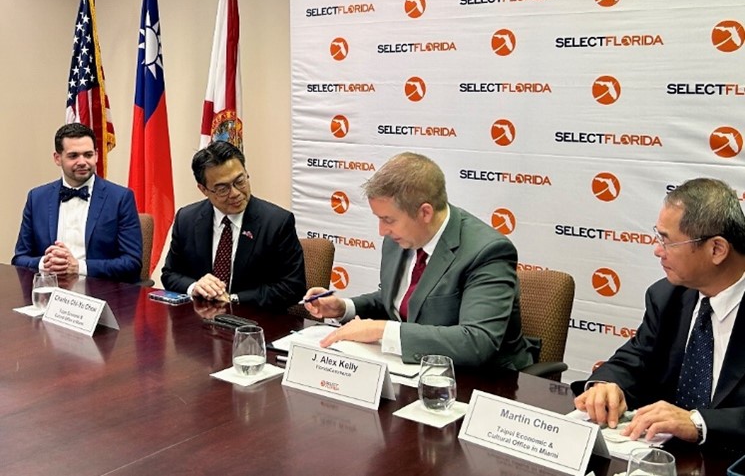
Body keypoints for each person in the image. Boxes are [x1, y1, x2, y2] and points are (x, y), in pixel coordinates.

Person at [303, 152, 533, 369]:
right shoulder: (401, 237)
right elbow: (402, 300)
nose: (382, 230)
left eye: (388, 220)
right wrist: (345, 308)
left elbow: (477, 342)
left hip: (483, 381)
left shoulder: (487, 252)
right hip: (413, 369)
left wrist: (383, 330)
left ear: (425, 213)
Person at [572, 178, 745, 450]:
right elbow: (636, 358)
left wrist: (700, 423)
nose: (657, 251)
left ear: (717, 249)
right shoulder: (666, 296)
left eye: (667, 241)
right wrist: (607, 384)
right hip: (664, 455)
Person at [161, 141, 305, 309]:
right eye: (223, 189)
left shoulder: (277, 222)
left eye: (240, 181)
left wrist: (233, 299)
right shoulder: (187, 219)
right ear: (203, 189)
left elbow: (293, 287)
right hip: (200, 323)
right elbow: (170, 274)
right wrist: (195, 287)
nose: (235, 193)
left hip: (254, 323)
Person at [12, 123, 142, 283]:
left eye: (88, 155)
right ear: (57, 158)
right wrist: (45, 263)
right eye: (73, 156)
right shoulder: (37, 198)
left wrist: (78, 267)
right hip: (49, 292)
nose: (82, 162)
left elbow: (132, 263)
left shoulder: (120, 198)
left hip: (101, 294)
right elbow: (19, 258)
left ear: (96, 155)